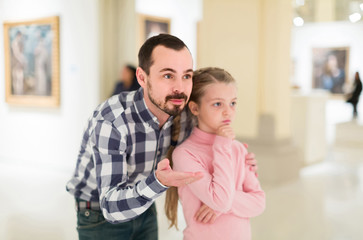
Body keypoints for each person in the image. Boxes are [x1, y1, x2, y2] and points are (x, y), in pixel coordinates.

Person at [66, 34, 258, 240]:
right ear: (142, 77)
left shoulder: (184, 112)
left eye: (186, 76)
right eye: (168, 75)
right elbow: (111, 208)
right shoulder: (112, 121)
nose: (180, 87)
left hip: (145, 202)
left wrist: (239, 161)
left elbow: (208, 144)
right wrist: (158, 181)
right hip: (98, 211)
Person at [166, 67, 265, 240]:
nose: (228, 111)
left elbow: (258, 203)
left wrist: (220, 206)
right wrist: (222, 145)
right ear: (195, 108)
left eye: (233, 103)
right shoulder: (184, 155)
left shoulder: (237, 148)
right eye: (217, 104)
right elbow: (221, 199)